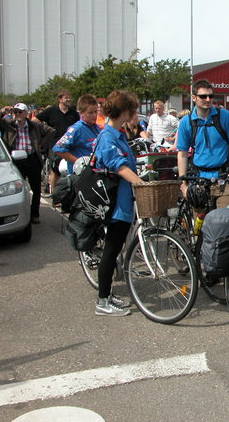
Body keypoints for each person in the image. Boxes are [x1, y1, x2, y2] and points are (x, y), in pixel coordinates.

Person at [93, 90, 144, 316]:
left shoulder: (118, 134)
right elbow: (119, 166)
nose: (133, 113)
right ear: (124, 111)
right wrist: (141, 184)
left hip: (123, 200)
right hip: (115, 203)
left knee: (114, 249)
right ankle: (102, 301)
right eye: (132, 109)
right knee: (111, 251)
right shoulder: (108, 136)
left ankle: (107, 295)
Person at [176, 79, 229, 209]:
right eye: (203, 96)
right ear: (194, 98)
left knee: (226, 218)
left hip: (224, 178)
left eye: (210, 96)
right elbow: (182, 153)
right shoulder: (186, 122)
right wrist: (183, 183)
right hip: (198, 180)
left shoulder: (223, 115)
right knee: (199, 220)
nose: (208, 99)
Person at [0, 103, 55, 224]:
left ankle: (35, 214)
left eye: (20, 112)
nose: (17, 114)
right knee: (18, 189)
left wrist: (41, 144)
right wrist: (2, 112)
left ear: (26, 113)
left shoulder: (34, 125)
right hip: (16, 160)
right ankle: (17, 214)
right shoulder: (8, 124)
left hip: (32, 158)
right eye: (15, 112)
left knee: (36, 189)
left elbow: (51, 131)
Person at [34, 90, 79, 193]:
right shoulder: (51, 111)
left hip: (70, 146)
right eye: (66, 97)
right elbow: (35, 121)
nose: (69, 99)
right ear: (60, 99)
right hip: (55, 145)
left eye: (69, 97)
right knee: (55, 170)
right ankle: (54, 193)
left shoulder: (74, 113)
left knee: (72, 169)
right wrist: (45, 131)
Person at [52, 94, 101, 174]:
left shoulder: (97, 128)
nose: (94, 115)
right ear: (81, 113)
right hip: (81, 174)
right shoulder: (76, 129)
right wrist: (79, 161)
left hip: (95, 172)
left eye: (96, 112)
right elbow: (58, 149)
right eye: (90, 113)